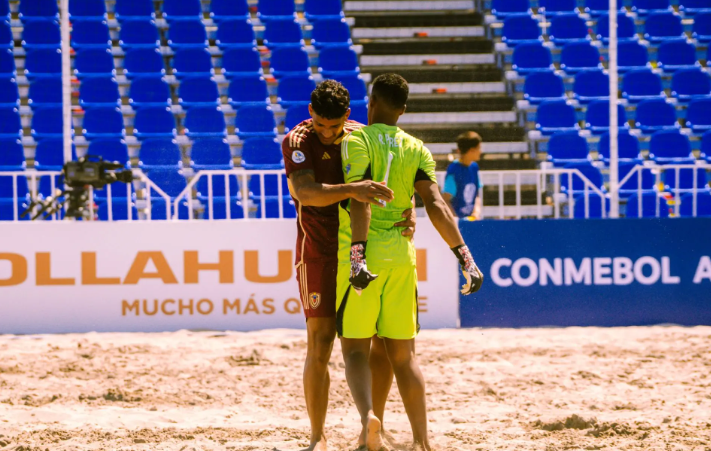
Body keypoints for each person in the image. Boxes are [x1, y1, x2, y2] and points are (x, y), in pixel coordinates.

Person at [337, 74, 484, 451]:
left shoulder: (356, 139)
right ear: (403, 110)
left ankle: (369, 419)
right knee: (404, 357)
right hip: (403, 257)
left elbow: (359, 198)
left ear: (370, 104)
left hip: (364, 256)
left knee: (355, 349)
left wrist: (357, 257)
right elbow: (436, 204)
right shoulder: (416, 147)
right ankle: (422, 440)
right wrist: (464, 256)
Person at [281, 80, 416, 451]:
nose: (327, 133)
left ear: (348, 117)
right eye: (321, 124)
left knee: (378, 341)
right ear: (311, 114)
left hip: (362, 248)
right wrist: (352, 190)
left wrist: (410, 210)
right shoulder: (297, 140)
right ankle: (317, 436)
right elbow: (304, 192)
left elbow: (395, 182)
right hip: (317, 252)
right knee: (319, 342)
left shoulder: (362, 135)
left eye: (334, 126)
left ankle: (372, 427)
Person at [442, 131, 483, 219]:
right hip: (458, 221)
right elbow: (446, 200)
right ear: (471, 150)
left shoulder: (474, 167)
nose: (481, 151)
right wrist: (456, 220)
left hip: (471, 220)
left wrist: (476, 212)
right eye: (479, 148)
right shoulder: (454, 169)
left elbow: (476, 194)